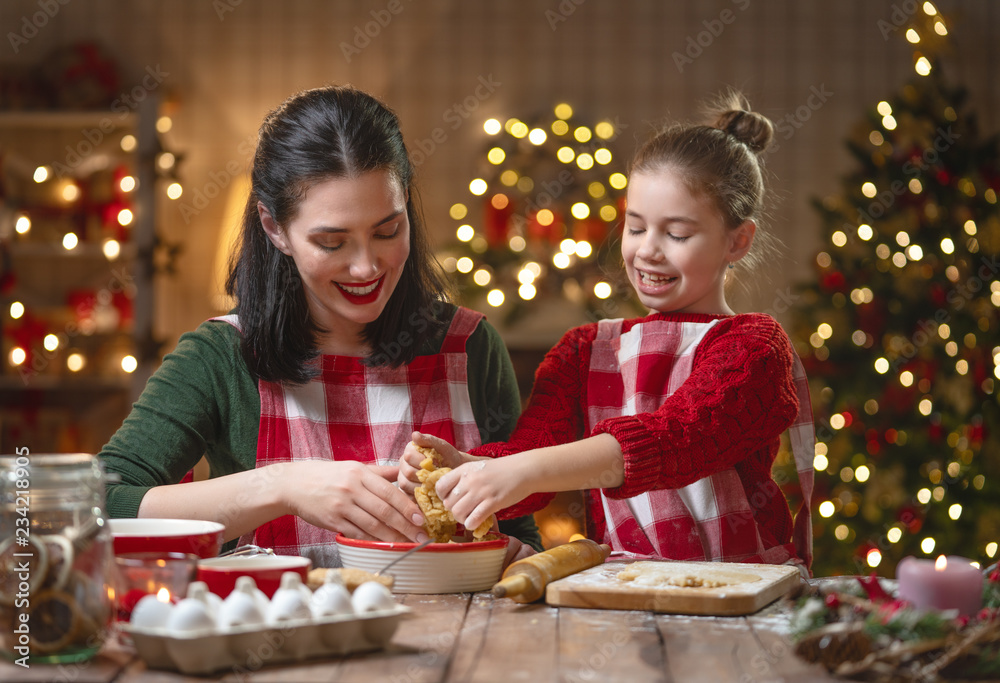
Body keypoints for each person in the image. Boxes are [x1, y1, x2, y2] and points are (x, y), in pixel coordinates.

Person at [99, 85, 541, 568]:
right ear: (274, 228)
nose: (366, 267)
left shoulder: (472, 347)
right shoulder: (220, 356)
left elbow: (517, 528)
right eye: (332, 242)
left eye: (387, 230)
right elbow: (100, 505)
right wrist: (283, 486)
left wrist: (516, 553)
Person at [399, 92, 815, 571]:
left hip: (743, 591)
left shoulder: (755, 347)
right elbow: (535, 455)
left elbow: (673, 438)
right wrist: (471, 469)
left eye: (676, 234)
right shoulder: (584, 350)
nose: (647, 252)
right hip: (626, 592)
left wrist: (517, 471)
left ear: (737, 241)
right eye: (635, 227)